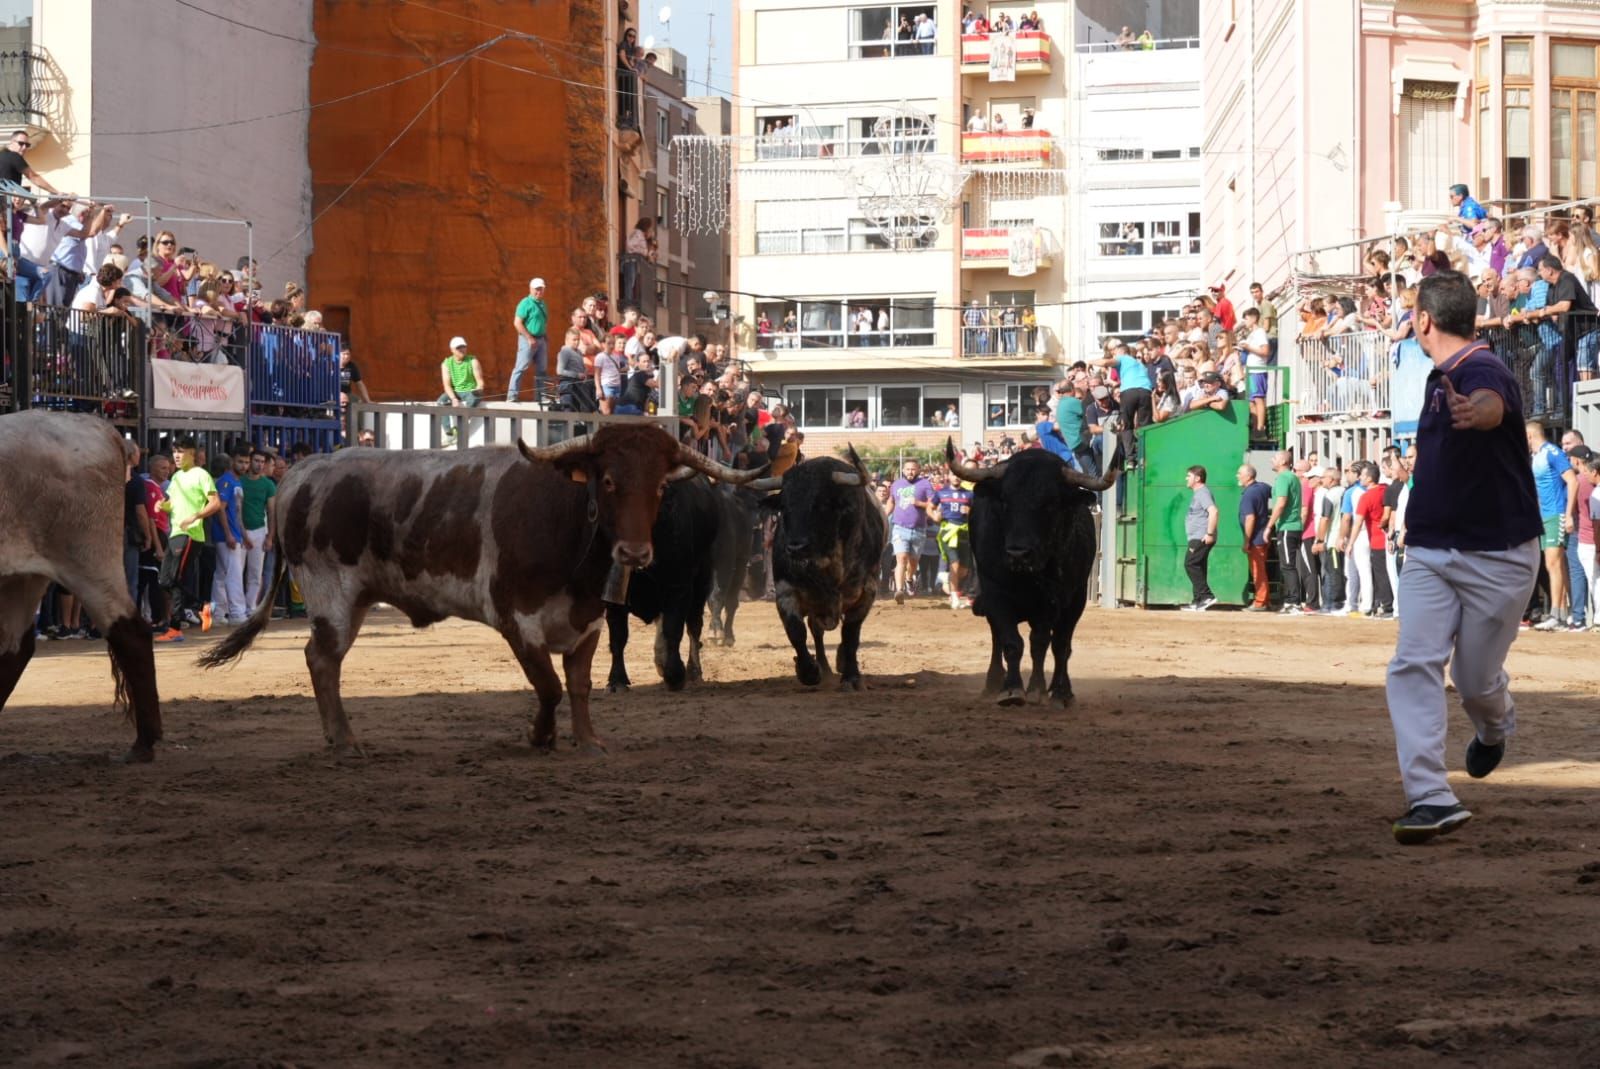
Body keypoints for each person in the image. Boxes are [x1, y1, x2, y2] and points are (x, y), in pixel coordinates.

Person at [1385, 269, 1543, 844]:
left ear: (1423, 320)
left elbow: (1491, 402)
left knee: (1475, 681)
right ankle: (1430, 795)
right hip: (1430, 549)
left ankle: (1496, 728)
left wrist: (1479, 412)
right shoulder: (1440, 377)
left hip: (1497, 558)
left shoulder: (1481, 368)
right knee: (1413, 663)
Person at [156, 437, 222, 641]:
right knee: (166, 581)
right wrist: (162, 505)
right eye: (174, 451)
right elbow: (172, 503)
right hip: (176, 532)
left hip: (191, 534)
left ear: (192, 454)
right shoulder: (176, 478)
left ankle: (177, 627)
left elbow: (215, 503)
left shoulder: (202, 475)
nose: (176, 456)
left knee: (173, 579)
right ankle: (199, 607)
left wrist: (195, 516)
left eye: (181, 451)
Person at [1527, 420, 1577, 630]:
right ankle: (1565, 614)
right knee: (1557, 565)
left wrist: (1568, 515)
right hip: (1544, 516)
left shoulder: (1551, 452)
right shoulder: (1536, 457)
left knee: (1552, 564)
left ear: (1530, 436)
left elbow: (1572, 480)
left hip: (1556, 514)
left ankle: (1556, 614)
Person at [1262, 451, 1305, 613]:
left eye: (1274, 458)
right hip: (1292, 527)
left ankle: (1293, 602)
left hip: (1287, 526)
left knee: (1287, 566)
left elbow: (1280, 503)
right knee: (1288, 565)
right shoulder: (1292, 477)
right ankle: (1291, 601)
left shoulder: (1283, 478)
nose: (1271, 460)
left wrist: (1268, 526)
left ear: (1282, 461)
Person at [889, 459, 935, 604]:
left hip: (918, 529)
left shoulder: (925, 484)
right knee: (901, 558)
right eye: (907, 469)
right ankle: (899, 590)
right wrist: (884, 515)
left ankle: (909, 579)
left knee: (913, 562)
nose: (910, 472)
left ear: (918, 470)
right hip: (899, 527)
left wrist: (919, 503)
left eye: (913, 469)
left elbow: (933, 504)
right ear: (903, 470)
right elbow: (891, 500)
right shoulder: (896, 484)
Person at [1353, 462, 1393, 619]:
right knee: (1386, 572)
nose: (1360, 478)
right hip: (1387, 536)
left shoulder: (1366, 496)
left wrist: (1351, 542)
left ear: (1369, 478)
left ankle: (1386, 605)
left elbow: (1358, 522)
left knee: (1380, 574)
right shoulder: (1385, 489)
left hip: (1376, 539)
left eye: (1362, 475)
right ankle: (1382, 604)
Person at [240, 446, 276, 613]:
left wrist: (270, 536)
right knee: (237, 572)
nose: (260, 465)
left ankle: (251, 607)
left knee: (255, 573)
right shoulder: (240, 480)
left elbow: (271, 511)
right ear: (250, 461)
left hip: (259, 531)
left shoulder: (268, 484)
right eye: (256, 461)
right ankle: (238, 608)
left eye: (263, 462)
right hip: (240, 531)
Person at [933, 474, 973, 610]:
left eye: (958, 476)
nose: (956, 478)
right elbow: (929, 507)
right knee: (954, 564)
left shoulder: (969, 494)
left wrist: (970, 511)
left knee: (964, 570)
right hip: (948, 532)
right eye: (953, 475)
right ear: (948, 476)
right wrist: (935, 516)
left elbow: (978, 512)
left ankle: (950, 583)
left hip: (965, 532)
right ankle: (955, 598)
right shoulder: (941, 492)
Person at [1181, 466, 1218, 611]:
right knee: (1199, 566)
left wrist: (1209, 534)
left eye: (1188, 476)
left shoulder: (1202, 493)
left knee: (1190, 564)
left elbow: (1213, 511)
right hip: (1197, 537)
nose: (1186, 478)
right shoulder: (1198, 494)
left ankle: (1206, 596)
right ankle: (1198, 601)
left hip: (1201, 537)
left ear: (1197, 478)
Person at [509, 277, 549, 404]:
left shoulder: (543, 304)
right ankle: (512, 395)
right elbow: (517, 323)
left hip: (540, 339)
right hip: (527, 339)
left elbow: (541, 322)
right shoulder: (525, 303)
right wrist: (529, 337)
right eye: (537, 289)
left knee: (542, 369)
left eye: (541, 289)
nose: (539, 292)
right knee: (521, 367)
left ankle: (540, 396)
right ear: (531, 289)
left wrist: (544, 335)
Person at [1237, 464, 1271, 611]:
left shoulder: (1249, 494)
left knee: (1258, 571)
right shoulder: (1262, 487)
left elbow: (1250, 518)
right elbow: (1274, 492)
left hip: (1256, 539)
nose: (1237, 476)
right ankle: (1265, 600)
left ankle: (1260, 602)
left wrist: (1246, 540)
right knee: (1260, 569)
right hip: (1262, 536)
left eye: (1239, 473)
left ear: (1248, 476)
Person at [437, 337, 484, 437]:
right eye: (459, 348)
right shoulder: (446, 364)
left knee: (475, 398)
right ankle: (448, 432)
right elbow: (447, 385)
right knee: (441, 402)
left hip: (469, 391)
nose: (462, 349)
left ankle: (460, 426)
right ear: (452, 350)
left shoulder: (473, 360)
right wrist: (453, 398)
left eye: (464, 347)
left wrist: (479, 388)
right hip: (455, 391)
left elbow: (480, 381)